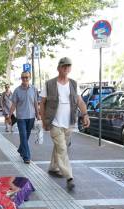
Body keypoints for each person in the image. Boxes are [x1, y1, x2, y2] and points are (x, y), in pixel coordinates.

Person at [40, 57, 90, 190]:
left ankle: (53, 167)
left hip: (69, 122)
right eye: (64, 66)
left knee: (61, 147)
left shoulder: (73, 83)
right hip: (54, 122)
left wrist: (85, 115)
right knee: (62, 148)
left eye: (69, 66)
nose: (66, 68)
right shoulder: (49, 84)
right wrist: (43, 120)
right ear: (58, 68)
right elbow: (43, 103)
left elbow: (80, 101)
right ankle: (69, 177)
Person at [8, 72, 40, 164]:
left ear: (29, 78)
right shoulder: (17, 90)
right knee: (23, 136)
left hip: (31, 117)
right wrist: (9, 116)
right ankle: (27, 157)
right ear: (21, 78)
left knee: (26, 137)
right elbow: (13, 104)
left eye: (26, 77)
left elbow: (35, 103)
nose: (24, 79)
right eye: (22, 77)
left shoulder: (33, 89)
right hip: (21, 117)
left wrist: (38, 114)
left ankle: (21, 150)